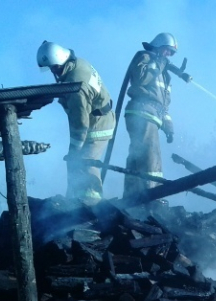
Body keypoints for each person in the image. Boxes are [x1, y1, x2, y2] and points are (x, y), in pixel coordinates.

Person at [36, 41, 115, 203]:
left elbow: (80, 123)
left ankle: (91, 204)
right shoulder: (77, 63)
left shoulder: (76, 87)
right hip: (97, 120)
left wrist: (74, 148)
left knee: (84, 162)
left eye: (55, 67)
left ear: (62, 60)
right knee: (76, 163)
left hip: (97, 126)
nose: (53, 71)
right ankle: (74, 200)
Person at [122, 33, 178, 199]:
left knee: (137, 157)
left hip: (151, 115)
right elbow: (140, 79)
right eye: (167, 51)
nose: (169, 56)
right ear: (159, 46)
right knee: (150, 156)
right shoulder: (144, 57)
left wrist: (169, 127)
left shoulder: (164, 74)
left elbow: (163, 105)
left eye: (172, 53)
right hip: (141, 111)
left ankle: (131, 196)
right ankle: (153, 197)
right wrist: (159, 63)